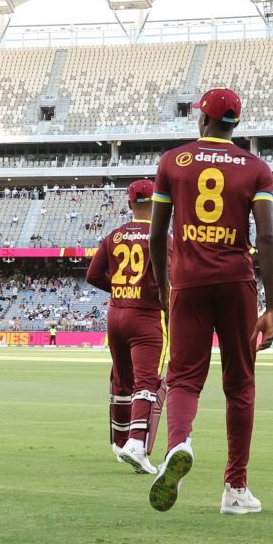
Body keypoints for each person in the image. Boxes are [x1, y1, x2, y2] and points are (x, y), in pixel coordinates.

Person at [146, 87, 273, 516]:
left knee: (184, 378)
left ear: (201, 119)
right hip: (236, 281)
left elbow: (156, 234)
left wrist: (162, 287)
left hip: (187, 282)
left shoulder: (172, 162)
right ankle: (235, 488)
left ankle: (178, 443)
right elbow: (266, 238)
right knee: (240, 385)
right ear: (235, 123)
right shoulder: (256, 168)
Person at [86, 178, 164, 475]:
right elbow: (166, 279)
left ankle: (119, 444)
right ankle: (136, 443)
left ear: (130, 203)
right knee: (148, 382)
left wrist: (119, 288)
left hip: (116, 315)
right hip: (145, 316)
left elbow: (93, 276)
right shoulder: (161, 238)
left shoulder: (114, 236)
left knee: (121, 380)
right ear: (156, 203)